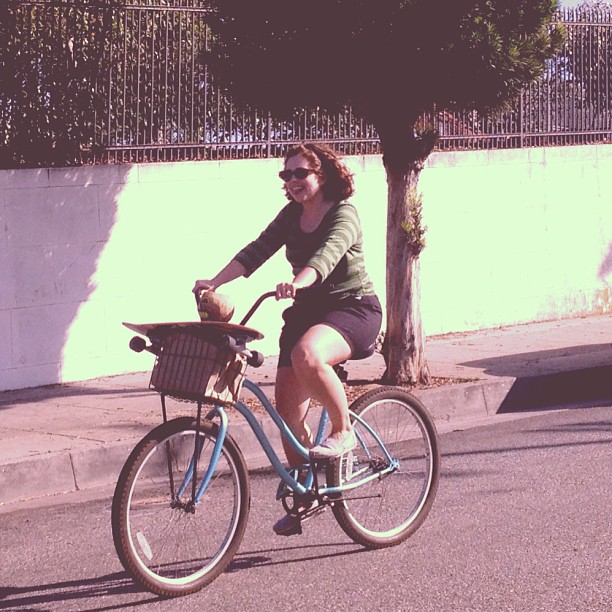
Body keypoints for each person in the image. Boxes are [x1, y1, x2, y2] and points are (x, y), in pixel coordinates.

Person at [193, 142, 382, 535]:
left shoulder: (344, 213)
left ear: (322, 175)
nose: (292, 181)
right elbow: (257, 250)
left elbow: (326, 256)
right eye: (286, 174)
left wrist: (298, 282)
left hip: (353, 309)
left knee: (308, 354)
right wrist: (215, 280)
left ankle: (343, 430)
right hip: (306, 311)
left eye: (301, 173)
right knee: (286, 412)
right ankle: (307, 493)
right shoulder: (291, 215)